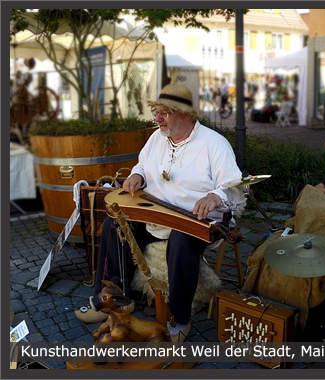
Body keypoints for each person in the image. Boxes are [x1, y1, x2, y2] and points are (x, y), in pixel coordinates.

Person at [75, 84, 246, 342]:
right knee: (115, 224)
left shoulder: (214, 144)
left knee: (180, 239)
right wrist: (137, 175)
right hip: (155, 213)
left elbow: (234, 186)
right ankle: (115, 300)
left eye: (164, 113)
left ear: (186, 114)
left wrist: (215, 196)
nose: (157, 118)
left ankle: (180, 318)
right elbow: (143, 165)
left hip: (196, 220)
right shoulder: (157, 138)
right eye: (156, 112)